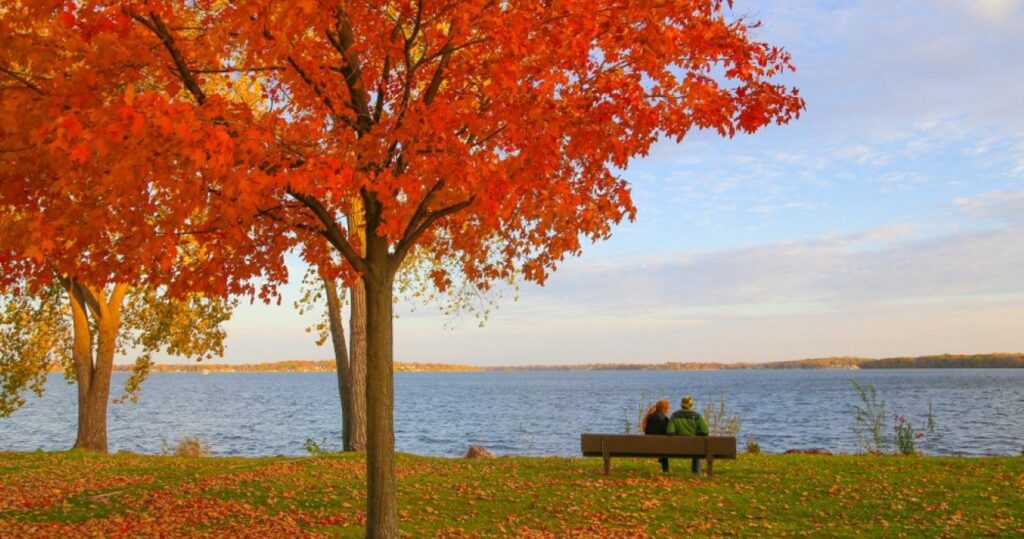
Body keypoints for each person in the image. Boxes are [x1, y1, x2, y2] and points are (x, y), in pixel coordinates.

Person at [666, 395, 710, 474]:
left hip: (677, 448)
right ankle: (696, 471)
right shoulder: (697, 416)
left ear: (681, 405)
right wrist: (696, 433)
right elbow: (705, 432)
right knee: (697, 448)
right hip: (693, 448)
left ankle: (665, 470)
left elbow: (670, 431)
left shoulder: (675, 415)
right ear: (691, 405)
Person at [641, 399, 671, 472]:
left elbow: (647, 432)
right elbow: (668, 432)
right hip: (662, 447)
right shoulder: (665, 419)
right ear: (665, 409)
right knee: (665, 446)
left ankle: (662, 459)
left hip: (649, 445)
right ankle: (665, 469)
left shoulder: (649, 418)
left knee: (662, 444)